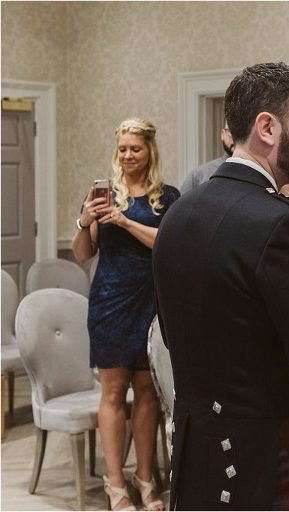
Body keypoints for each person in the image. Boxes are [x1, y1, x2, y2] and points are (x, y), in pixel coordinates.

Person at [152, 62, 289, 510]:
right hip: (271, 459)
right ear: (267, 128)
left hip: (197, 455)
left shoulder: (178, 214)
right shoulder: (287, 226)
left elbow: (174, 338)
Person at [72, 118, 180, 511]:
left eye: (135, 148)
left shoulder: (167, 196)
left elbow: (167, 243)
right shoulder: (103, 194)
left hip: (152, 301)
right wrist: (86, 220)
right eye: (122, 149)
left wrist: (123, 220)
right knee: (114, 392)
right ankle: (116, 483)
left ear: (150, 150)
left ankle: (146, 478)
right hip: (110, 301)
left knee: (148, 394)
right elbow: (83, 253)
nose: (128, 155)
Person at [179, 120, 235, 194]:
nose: (236, 137)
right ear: (222, 134)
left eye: (241, 131)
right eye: (231, 131)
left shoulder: (254, 174)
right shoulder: (198, 176)